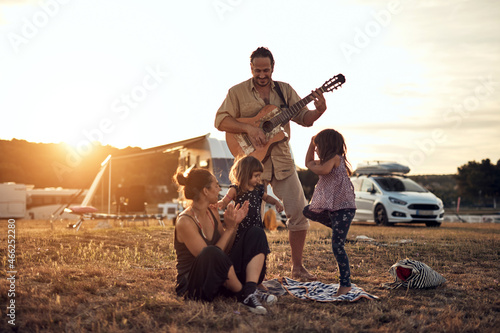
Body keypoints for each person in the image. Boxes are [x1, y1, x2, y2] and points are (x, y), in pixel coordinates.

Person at [215, 46, 327, 281]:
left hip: (283, 161)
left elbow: (305, 119)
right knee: (245, 217)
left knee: (299, 212)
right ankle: (236, 268)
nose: (262, 74)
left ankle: (297, 267)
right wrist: (248, 128)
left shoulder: (285, 91)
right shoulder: (237, 92)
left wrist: (319, 111)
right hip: (250, 164)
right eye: (257, 70)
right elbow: (220, 121)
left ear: (273, 67)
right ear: (251, 68)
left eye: (266, 70)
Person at [173, 168, 276, 314]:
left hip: (222, 280)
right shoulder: (185, 221)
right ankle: (242, 295)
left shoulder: (212, 211)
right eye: (216, 185)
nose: (219, 189)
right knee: (210, 252)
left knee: (255, 232)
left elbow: (226, 250)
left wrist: (234, 226)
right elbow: (211, 258)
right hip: (196, 284)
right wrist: (229, 229)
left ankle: (250, 289)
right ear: (205, 191)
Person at [302, 129, 356, 296]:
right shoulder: (326, 161)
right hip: (334, 210)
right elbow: (308, 163)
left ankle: (345, 285)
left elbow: (322, 170)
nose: (316, 150)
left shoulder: (334, 159)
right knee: (308, 210)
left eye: (318, 146)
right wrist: (311, 145)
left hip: (344, 209)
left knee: (337, 246)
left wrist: (313, 163)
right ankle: (339, 228)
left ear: (327, 145)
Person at [218, 155, 284, 244]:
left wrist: (276, 202)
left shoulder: (258, 189)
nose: (258, 178)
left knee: (254, 245)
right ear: (245, 174)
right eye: (256, 175)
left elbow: (267, 197)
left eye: (259, 176)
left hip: (255, 225)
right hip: (240, 226)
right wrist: (221, 203)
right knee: (240, 245)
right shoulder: (235, 189)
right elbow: (226, 200)